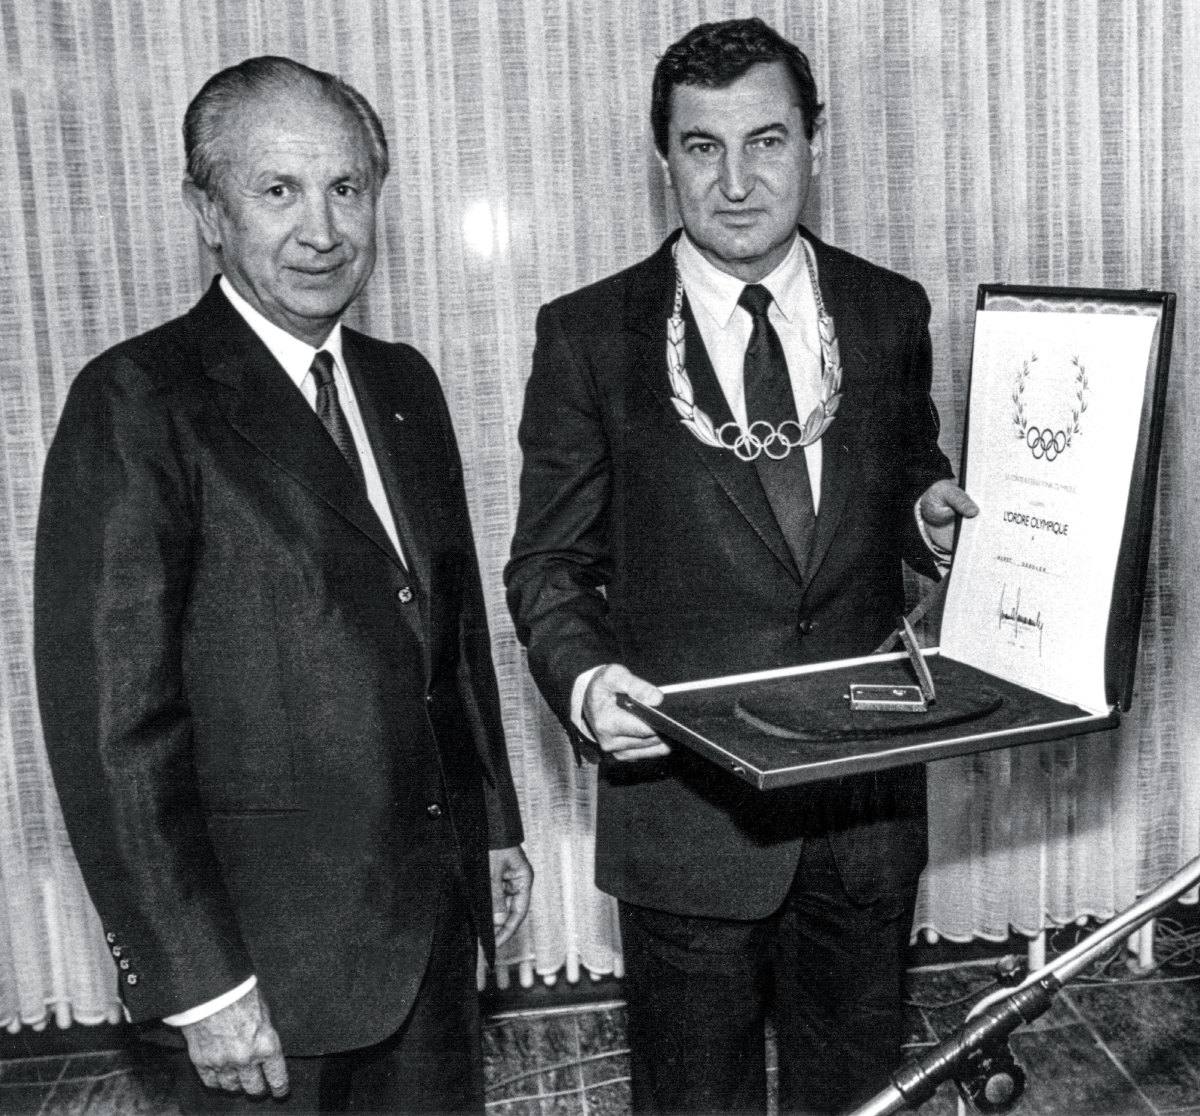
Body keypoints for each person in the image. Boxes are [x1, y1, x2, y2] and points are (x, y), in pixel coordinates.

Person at [35, 55, 532, 1115]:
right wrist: (201, 982)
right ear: (207, 212)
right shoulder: (138, 400)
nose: (322, 229)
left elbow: (450, 638)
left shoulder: (405, 385)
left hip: (432, 947)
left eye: (346, 188)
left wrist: (493, 826)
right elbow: (113, 729)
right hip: (262, 984)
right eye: (279, 191)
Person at [506, 17, 977, 1116]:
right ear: (662, 157)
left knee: (859, 1095)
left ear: (816, 142)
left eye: (765, 141)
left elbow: (908, 473)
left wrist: (931, 512)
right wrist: (583, 681)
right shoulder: (590, 335)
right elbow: (548, 564)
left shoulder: (886, 310)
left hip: (862, 811)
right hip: (687, 817)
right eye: (702, 147)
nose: (735, 180)